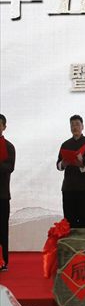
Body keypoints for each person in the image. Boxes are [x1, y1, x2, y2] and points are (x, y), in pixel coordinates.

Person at [56, 115, 85, 229]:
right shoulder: (65, 144)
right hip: (68, 187)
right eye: (72, 125)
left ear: (82, 127)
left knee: (84, 221)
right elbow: (58, 165)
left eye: (77, 124)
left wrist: (82, 165)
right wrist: (63, 164)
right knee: (69, 221)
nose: (75, 127)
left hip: (84, 187)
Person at [0, 114, 16, 271]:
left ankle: (3, 261)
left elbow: (9, 167)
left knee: (2, 229)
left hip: (2, 194)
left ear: (4, 127)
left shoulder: (8, 146)